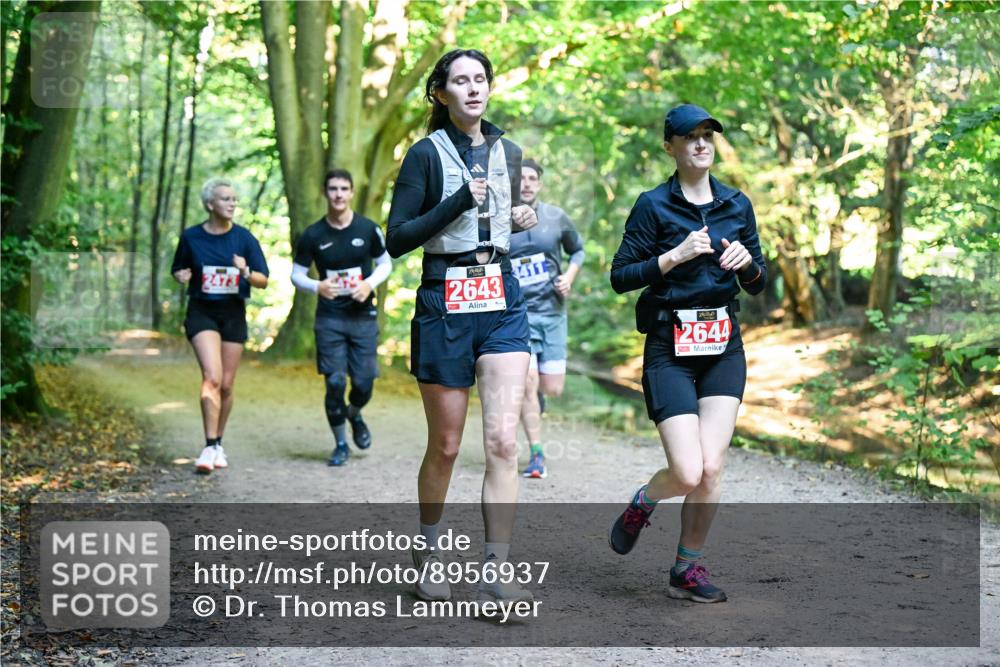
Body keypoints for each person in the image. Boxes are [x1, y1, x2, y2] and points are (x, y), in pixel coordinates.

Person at [386, 49, 538, 604]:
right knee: (447, 446)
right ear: (441, 92)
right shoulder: (423, 155)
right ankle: (427, 552)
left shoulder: (511, 151)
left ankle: (495, 567)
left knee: (501, 440)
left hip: (501, 298)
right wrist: (454, 201)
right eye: (460, 81)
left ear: (489, 88)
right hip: (444, 300)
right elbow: (397, 239)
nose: (473, 89)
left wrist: (523, 220)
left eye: (480, 80)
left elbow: (501, 221)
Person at [607, 104, 767, 603]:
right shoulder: (653, 205)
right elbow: (620, 277)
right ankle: (643, 500)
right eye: (690, 137)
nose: (700, 144)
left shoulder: (737, 205)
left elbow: (760, 280)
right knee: (687, 472)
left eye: (707, 136)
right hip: (668, 347)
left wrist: (746, 268)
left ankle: (685, 570)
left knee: (713, 468)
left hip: (722, 346)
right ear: (670, 147)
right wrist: (672, 257)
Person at [291, 169, 392, 466]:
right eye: (332, 188)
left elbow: (385, 263)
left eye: (343, 188)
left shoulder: (368, 229)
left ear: (351, 193)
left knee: (363, 383)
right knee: (335, 382)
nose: (338, 194)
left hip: (362, 317)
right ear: (325, 193)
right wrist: (316, 286)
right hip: (330, 318)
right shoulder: (313, 234)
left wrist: (369, 284)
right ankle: (340, 444)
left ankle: (355, 413)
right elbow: (296, 274)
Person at [171, 178, 270, 474]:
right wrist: (181, 276)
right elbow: (178, 268)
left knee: (226, 385)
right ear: (210, 204)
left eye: (234, 199)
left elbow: (263, 280)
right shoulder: (191, 237)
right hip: (202, 313)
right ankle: (209, 444)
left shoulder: (244, 238)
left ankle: (218, 444)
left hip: (233, 314)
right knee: (211, 378)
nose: (231, 203)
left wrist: (246, 271)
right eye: (225, 199)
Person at [508, 158, 585, 479]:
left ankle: (537, 394)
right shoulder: (499, 220)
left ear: (539, 184)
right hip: (517, 315)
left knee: (550, 388)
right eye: (521, 178)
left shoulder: (556, 217)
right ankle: (536, 454)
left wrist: (569, 276)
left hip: (552, 313)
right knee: (526, 383)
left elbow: (577, 250)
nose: (526, 183)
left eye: (532, 178)